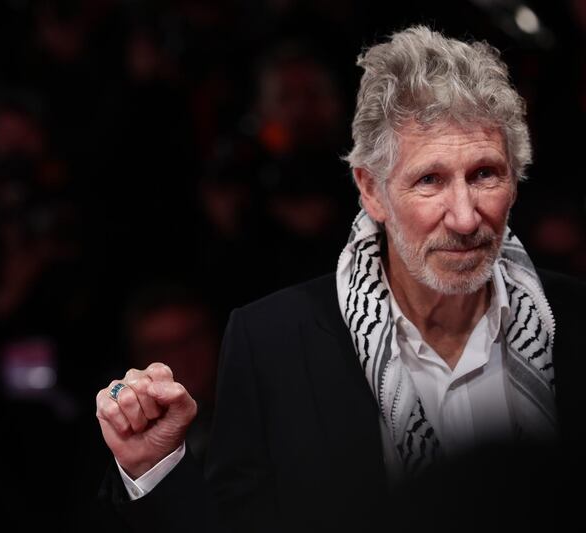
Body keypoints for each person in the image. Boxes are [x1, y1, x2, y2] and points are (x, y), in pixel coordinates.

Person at [95, 26, 586, 532]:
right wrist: (153, 468)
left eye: (485, 174)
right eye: (429, 180)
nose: (464, 217)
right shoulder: (273, 343)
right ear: (372, 190)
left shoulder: (576, 321)